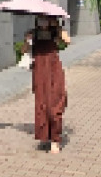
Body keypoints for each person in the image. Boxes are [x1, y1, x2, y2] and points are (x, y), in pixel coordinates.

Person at [30, 15, 70, 153]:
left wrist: (58, 28)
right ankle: (44, 136)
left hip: (53, 69)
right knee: (41, 103)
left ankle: (55, 139)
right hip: (39, 70)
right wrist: (28, 41)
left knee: (55, 102)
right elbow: (23, 50)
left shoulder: (56, 32)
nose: (43, 21)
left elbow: (68, 41)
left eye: (45, 19)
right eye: (40, 19)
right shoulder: (33, 33)